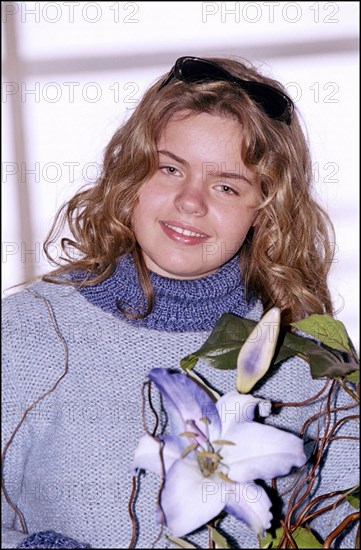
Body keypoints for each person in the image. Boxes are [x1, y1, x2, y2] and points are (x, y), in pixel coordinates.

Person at [2, 55, 358, 549]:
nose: (191, 201)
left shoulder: (309, 362)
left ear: (265, 210)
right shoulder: (24, 332)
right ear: (132, 176)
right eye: (170, 168)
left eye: (227, 186)